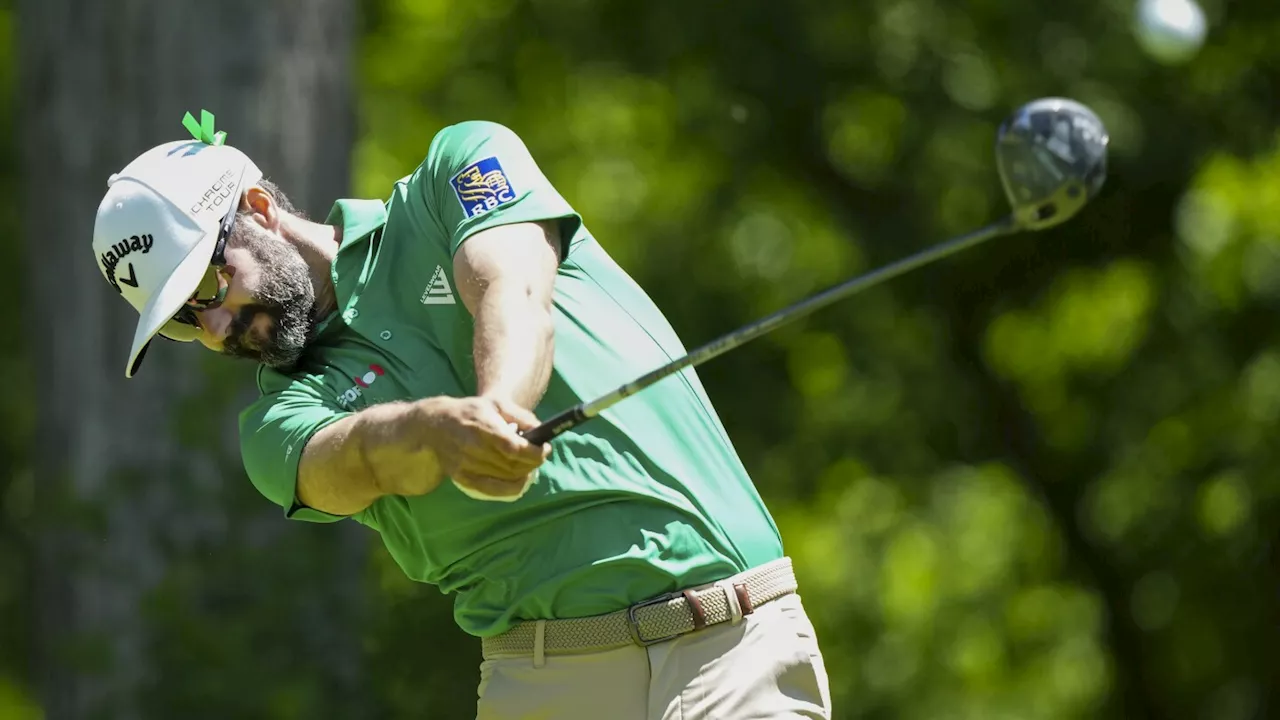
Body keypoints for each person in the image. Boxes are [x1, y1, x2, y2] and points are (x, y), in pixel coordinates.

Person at [92, 109, 832, 719]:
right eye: (184, 322)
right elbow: (359, 458)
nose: (215, 329)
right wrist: (436, 433)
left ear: (258, 210)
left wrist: (499, 407)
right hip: (545, 688)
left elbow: (512, 287)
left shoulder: (459, 169)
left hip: (732, 646)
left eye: (209, 284)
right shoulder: (275, 421)